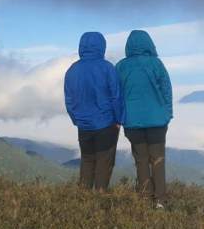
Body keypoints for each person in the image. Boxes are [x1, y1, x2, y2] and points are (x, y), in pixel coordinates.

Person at [116, 30, 173, 208]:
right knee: (158, 159)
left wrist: (120, 117)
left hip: (132, 122)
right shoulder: (156, 64)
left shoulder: (121, 66)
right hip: (157, 120)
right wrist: (167, 113)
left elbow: (116, 95)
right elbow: (166, 90)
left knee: (141, 160)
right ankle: (161, 201)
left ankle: (145, 198)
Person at [64, 31, 123, 191]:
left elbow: (69, 100)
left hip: (84, 126)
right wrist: (118, 120)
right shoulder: (107, 68)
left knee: (87, 161)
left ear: (81, 47)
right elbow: (116, 97)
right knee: (104, 164)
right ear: (102, 46)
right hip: (106, 124)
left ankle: (84, 201)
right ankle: (99, 201)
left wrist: (77, 120)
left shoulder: (72, 70)